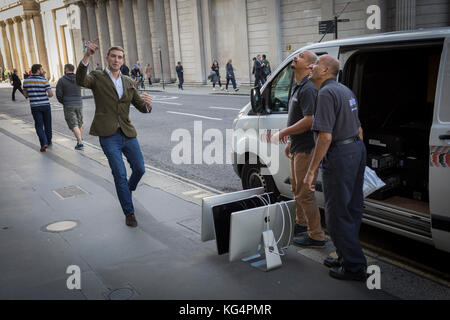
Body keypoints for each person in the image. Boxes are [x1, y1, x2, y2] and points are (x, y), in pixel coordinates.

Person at [76, 41, 153, 228]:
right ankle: (129, 212)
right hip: (108, 135)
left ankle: (128, 190)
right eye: (113, 56)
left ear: (123, 60)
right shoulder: (97, 77)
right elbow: (80, 80)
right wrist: (87, 55)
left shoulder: (129, 82)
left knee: (140, 169)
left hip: (127, 132)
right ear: (107, 58)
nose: (116, 60)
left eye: (119, 57)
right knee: (119, 173)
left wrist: (148, 104)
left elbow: (141, 107)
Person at [304, 54, 367, 281]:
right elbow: (358, 129)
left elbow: (325, 136)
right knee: (351, 208)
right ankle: (344, 256)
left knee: (337, 214)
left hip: (340, 155)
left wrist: (311, 171)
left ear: (325, 71)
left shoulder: (326, 93)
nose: (312, 66)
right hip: (355, 149)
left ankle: (354, 266)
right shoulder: (345, 90)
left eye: (317, 63)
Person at [271, 50, 326, 248]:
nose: (296, 57)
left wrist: (283, 133)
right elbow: (298, 116)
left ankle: (317, 235)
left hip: (307, 148)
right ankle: (301, 224)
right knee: (296, 189)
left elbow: (310, 120)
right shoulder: (299, 86)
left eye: (301, 56)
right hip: (296, 146)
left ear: (309, 65)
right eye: (297, 55)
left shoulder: (309, 88)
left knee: (304, 193)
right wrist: (290, 142)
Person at [23, 64, 53, 152]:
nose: (42, 71)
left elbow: (25, 94)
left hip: (35, 106)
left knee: (39, 125)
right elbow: (51, 94)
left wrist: (32, 95)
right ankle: (49, 141)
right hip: (45, 105)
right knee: (48, 124)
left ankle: (43, 143)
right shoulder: (44, 80)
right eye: (41, 69)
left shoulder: (26, 81)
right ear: (38, 70)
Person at [56, 64, 84, 150]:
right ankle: (79, 140)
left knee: (73, 123)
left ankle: (80, 142)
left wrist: (63, 101)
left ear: (66, 69)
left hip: (68, 104)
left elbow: (59, 94)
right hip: (79, 103)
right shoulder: (78, 78)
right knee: (79, 122)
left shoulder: (61, 80)